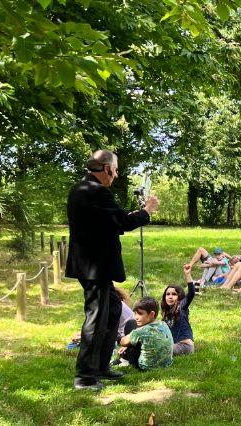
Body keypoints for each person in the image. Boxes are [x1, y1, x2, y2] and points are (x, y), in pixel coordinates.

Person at [66, 149, 158, 391]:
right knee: (96, 318)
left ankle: (101, 366)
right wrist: (147, 210)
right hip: (94, 266)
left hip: (94, 265)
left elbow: (110, 222)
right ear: (106, 168)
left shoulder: (83, 189)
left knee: (114, 309)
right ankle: (85, 377)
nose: (116, 176)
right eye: (115, 171)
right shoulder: (95, 191)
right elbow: (123, 222)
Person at [119, 296, 173, 370]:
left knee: (130, 324)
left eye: (140, 314)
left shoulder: (141, 331)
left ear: (151, 314)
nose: (136, 317)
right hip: (166, 363)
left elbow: (122, 342)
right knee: (133, 324)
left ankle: (125, 359)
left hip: (145, 367)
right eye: (135, 313)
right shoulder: (163, 324)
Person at [159, 264, 198, 356]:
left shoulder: (181, 306)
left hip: (184, 346)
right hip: (173, 345)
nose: (170, 297)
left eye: (174, 294)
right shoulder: (166, 313)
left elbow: (191, 293)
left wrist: (188, 274)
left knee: (159, 350)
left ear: (179, 297)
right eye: (168, 294)